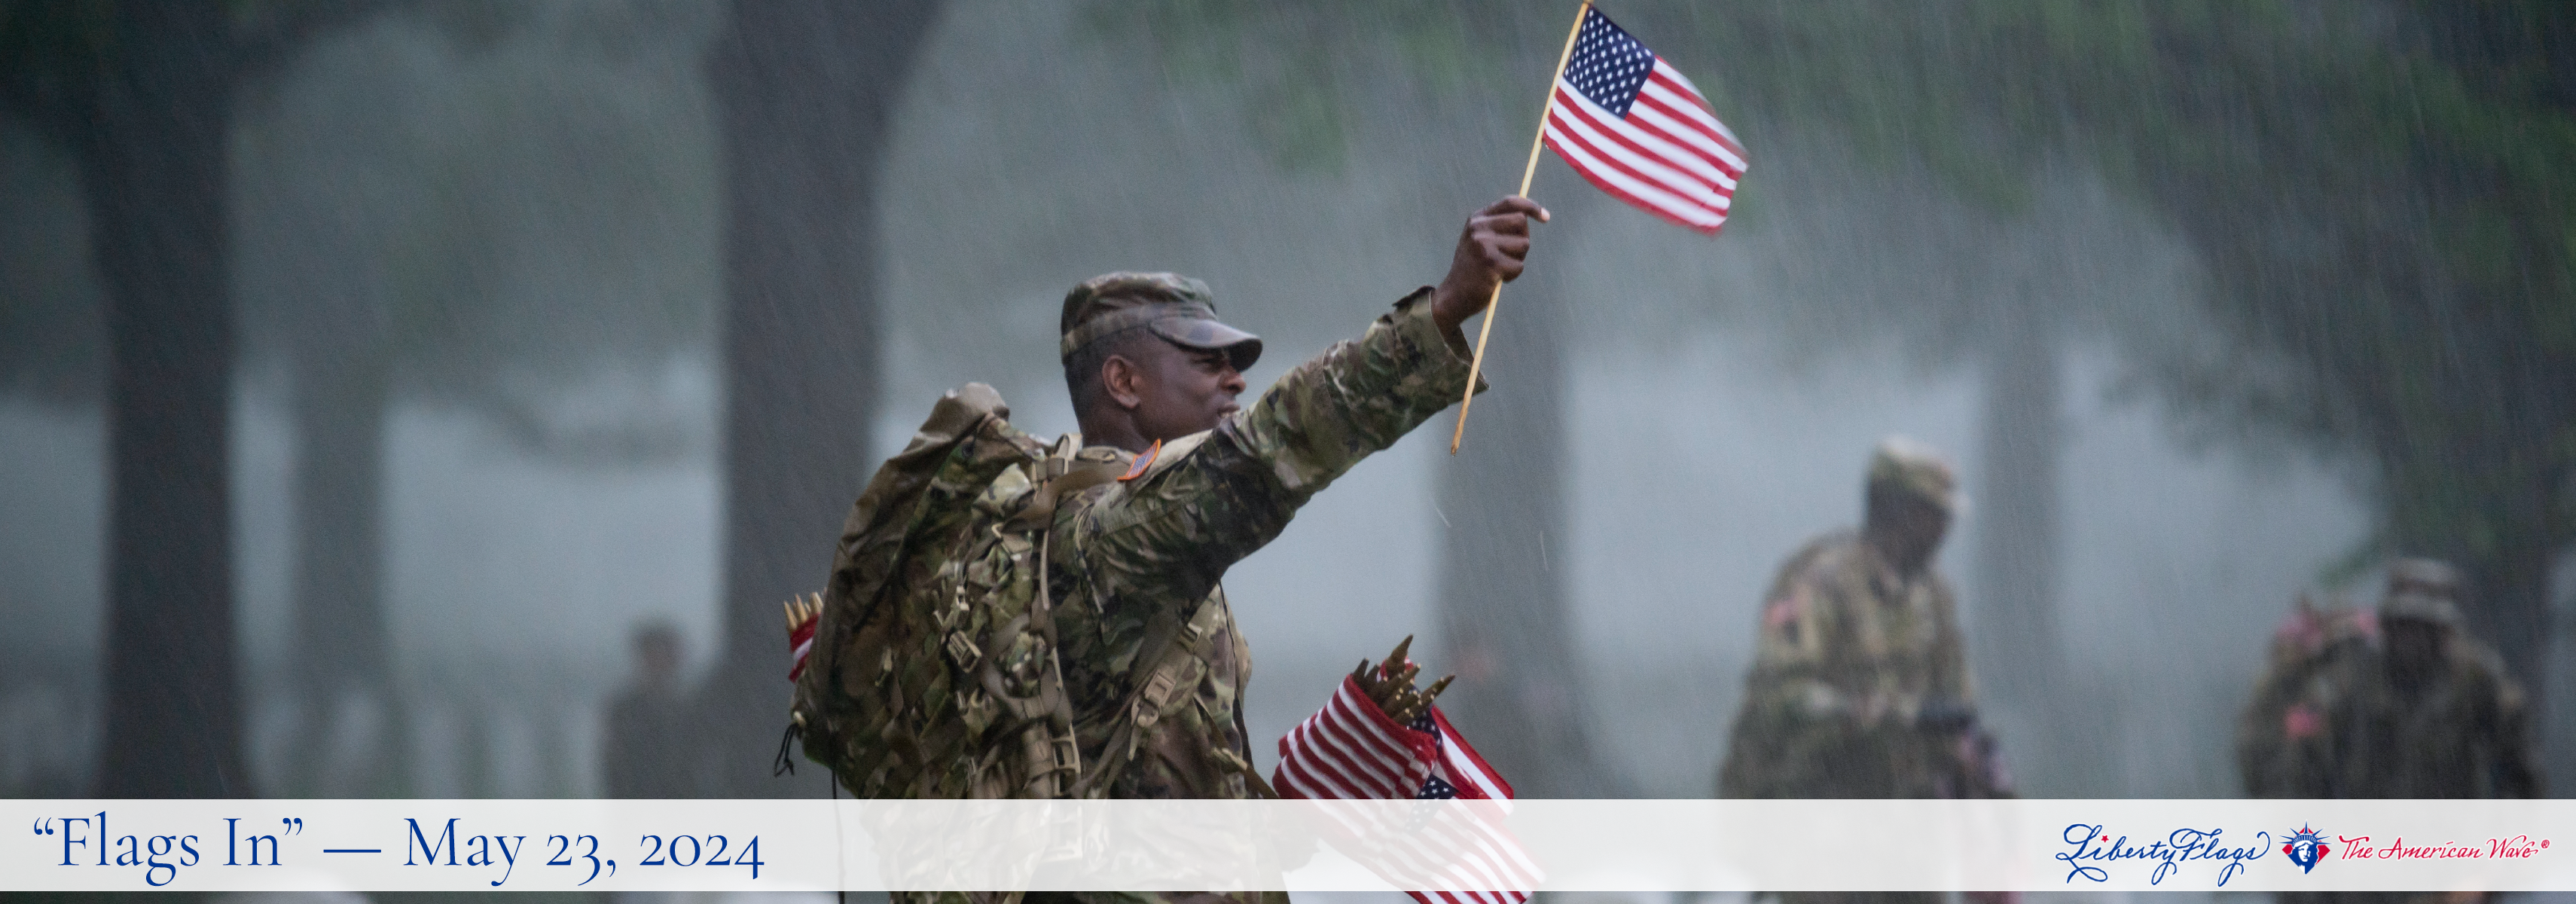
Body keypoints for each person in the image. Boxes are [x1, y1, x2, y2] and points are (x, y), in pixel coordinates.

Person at [891, 197, 1543, 904]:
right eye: (1206, 359)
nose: (1235, 378)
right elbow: (1266, 452)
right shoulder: (1106, 535)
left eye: (1235, 361)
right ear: (1123, 382)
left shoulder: (1118, 535)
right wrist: (1443, 309)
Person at [1716, 438, 2010, 904]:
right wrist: (1893, 716)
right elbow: (1783, 699)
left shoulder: (1932, 598)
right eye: (1931, 513)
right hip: (1821, 819)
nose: (1943, 529)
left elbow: (1956, 704)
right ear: (1893, 510)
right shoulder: (1818, 586)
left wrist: (1976, 769)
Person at [2247, 559, 2541, 904]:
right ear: (2388, 625)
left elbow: (2523, 788)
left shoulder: (2478, 685)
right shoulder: (2346, 685)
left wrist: (2486, 877)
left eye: (2426, 628)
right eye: (2405, 626)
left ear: (2446, 632)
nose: (2414, 640)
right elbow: (2299, 787)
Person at [603, 619, 695, 798]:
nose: (658, 663)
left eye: (663, 655)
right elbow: (615, 767)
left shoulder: (692, 707)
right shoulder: (625, 710)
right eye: (652, 655)